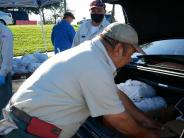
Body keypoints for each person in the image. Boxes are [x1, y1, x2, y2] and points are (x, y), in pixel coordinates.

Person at [1, 22, 160, 138]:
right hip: (28, 132)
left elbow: (115, 93)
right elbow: (118, 121)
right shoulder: (95, 66)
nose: (129, 59)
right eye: (131, 54)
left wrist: (145, 120)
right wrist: (149, 135)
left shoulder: (90, 54)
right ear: (118, 49)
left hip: (26, 124)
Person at [0, 22, 13, 115]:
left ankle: (5, 124)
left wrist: (2, 74)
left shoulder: (5, 32)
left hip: (2, 73)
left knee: (4, 105)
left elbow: (7, 56)